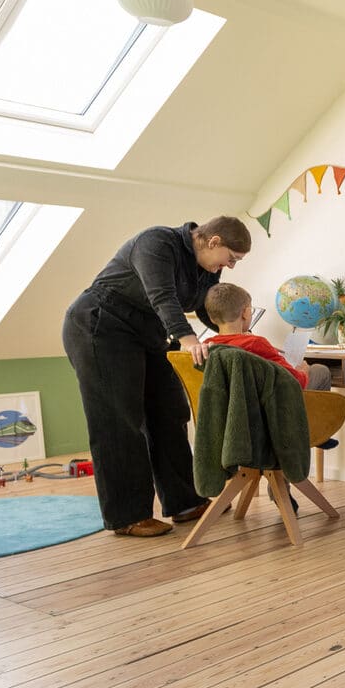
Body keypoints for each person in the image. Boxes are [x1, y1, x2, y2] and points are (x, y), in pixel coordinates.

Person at [61, 217, 250, 537]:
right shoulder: (157, 244)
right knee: (119, 419)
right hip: (101, 327)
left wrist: (240, 336)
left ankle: (184, 502)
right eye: (231, 258)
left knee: (169, 410)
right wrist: (189, 340)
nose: (230, 266)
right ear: (214, 241)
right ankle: (127, 516)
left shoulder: (207, 270)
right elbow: (162, 296)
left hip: (149, 334)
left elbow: (210, 310)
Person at [202, 283, 334, 391]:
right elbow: (296, 382)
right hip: (273, 409)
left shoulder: (207, 347)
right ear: (245, 313)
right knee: (320, 370)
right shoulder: (255, 343)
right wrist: (304, 371)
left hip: (235, 408)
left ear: (212, 318)